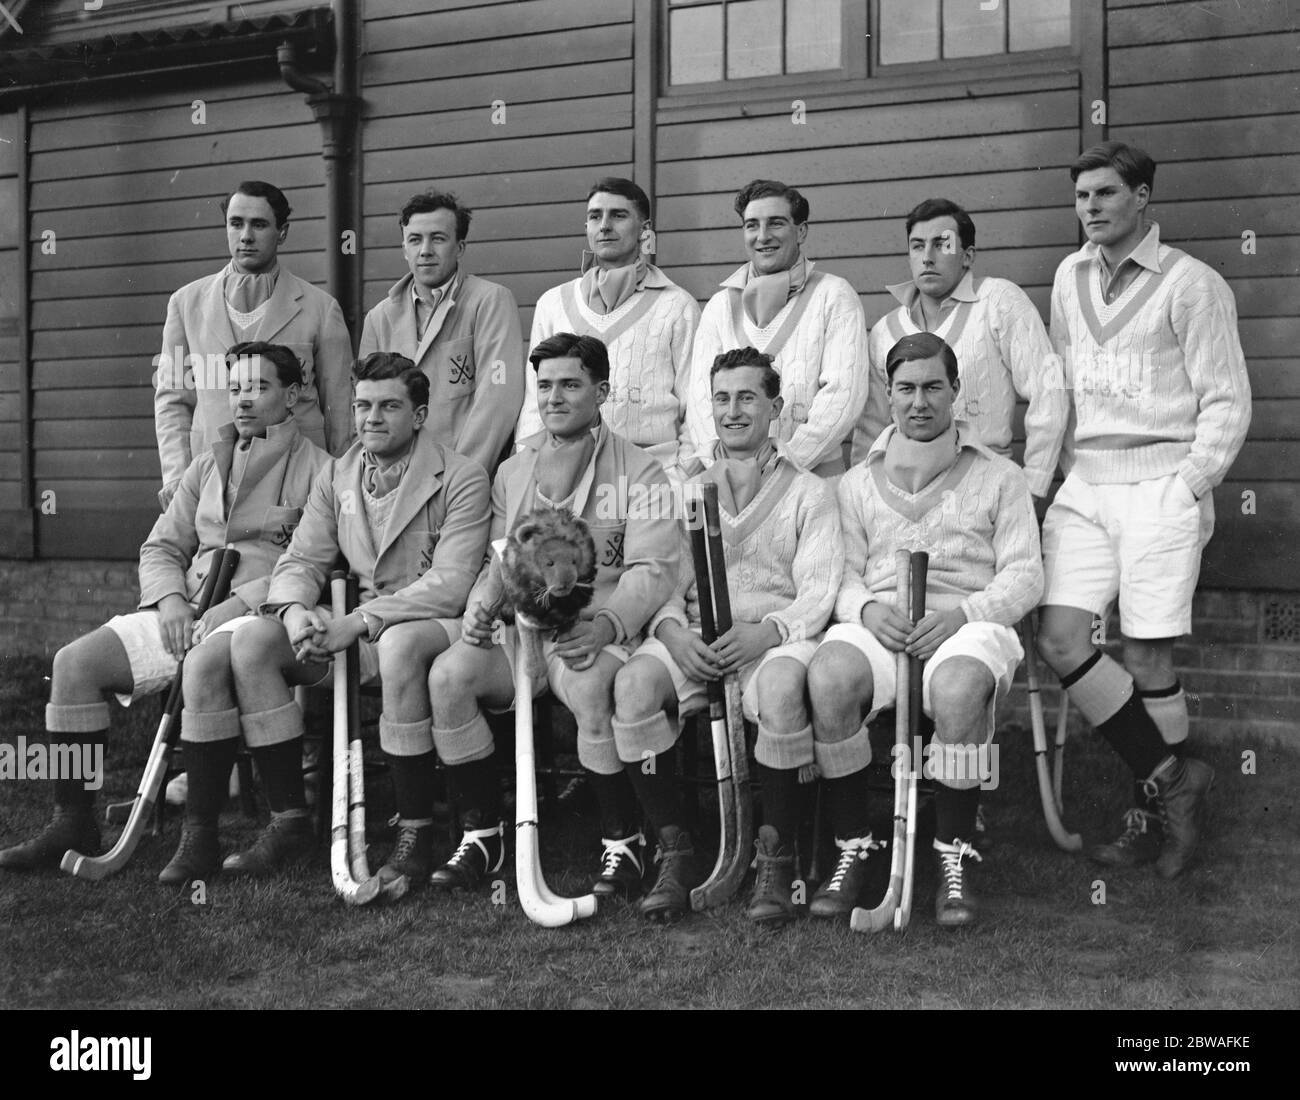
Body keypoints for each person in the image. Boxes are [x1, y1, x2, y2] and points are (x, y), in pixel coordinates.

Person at [0, 342, 330, 871]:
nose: (243, 401)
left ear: (291, 395)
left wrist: (238, 604)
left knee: (203, 663)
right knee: (73, 664)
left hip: (260, 618)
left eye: (260, 387)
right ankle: (73, 820)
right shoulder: (206, 465)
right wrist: (173, 600)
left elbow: (311, 560)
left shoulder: (321, 470)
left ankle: (200, 837)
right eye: (237, 388)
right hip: (187, 612)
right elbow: (161, 547)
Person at [168, 352, 491, 884]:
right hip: (360, 632)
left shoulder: (462, 476)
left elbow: (451, 584)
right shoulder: (339, 473)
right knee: (254, 641)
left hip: (440, 631)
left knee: (398, 645)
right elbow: (299, 560)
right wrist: (295, 613)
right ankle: (289, 818)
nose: (371, 419)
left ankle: (415, 830)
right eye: (363, 405)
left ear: (419, 414)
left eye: (389, 406)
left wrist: (357, 622)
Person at [1035, 142, 1251, 879]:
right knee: (1060, 637)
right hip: (1087, 485)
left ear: (1143, 197)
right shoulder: (1069, 277)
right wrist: (1063, 472)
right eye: (1081, 197)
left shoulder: (1194, 285)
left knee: (1148, 653)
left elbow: (1227, 400)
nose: (1090, 208)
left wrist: (1187, 485)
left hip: (1162, 481)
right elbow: (1063, 385)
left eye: (1104, 194)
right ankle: (1175, 778)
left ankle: (1148, 817)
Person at [426, 333, 678, 895]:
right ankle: (482, 834)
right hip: (520, 634)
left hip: (594, 626)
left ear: (602, 390)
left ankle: (623, 844)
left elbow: (653, 569)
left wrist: (606, 626)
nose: (554, 397)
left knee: (591, 689)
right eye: (544, 386)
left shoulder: (643, 472)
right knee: (448, 676)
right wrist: (478, 608)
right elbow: (498, 557)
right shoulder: (515, 471)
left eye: (570, 384)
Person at [807, 333, 1042, 927]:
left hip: (964, 623)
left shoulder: (1000, 477)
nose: (919, 402)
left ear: (956, 391)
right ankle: (854, 846)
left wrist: (961, 617)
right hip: (885, 623)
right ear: (890, 395)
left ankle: (952, 853)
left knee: (961, 688)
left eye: (933, 387)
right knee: (831, 675)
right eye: (906, 388)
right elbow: (839, 575)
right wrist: (865, 611)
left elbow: (1025, 577)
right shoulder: (857, 483)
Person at [611, 347, 842, 924]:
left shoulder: (810, 491)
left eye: (747, 398)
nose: (733, 411)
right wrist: (671, 631)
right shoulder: (684, 485)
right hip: (694, 635)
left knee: (787, 689)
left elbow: (819, 592)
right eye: (721, 398)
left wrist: (766, 633)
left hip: (774, 639)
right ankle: (678, 851)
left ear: (776, 407)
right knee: (635, 685)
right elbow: (659, 574)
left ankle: (774, 854)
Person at [154, 181, 353, 509]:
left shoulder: (320, 308)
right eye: (236, 223)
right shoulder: (186, 304)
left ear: (282, 232)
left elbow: (340, 411)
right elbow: (172, 399)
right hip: (214, 482)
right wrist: (176, 476)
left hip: (296, 486)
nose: (246, 235)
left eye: (259, 224)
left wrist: (338, 484)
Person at [852, 198, 1067, 498]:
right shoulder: (885, 330)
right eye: (917, 246)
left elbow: (1050, 391)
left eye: (942, 244)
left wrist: (1032, 484)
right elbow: (871, 430)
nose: (927, 257)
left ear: (967, 256)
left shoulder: (998, 301)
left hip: (986, 485)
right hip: (907, 491)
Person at [515, 178, 700, 479]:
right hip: (566, 477)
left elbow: (696, 405)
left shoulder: (678, 305)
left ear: (645, 228)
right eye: (595, 216)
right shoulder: (553, 303)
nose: (604, 225)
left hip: (651, 476)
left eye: (618, 215)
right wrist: (531, 472)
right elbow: (535, 407)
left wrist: (680, 476)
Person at [686, 179, 869, 479]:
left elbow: (843, 398)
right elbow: (701, 404)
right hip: (731, 482)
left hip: (813, 479)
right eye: (751, 225)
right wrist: (732, 471)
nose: (763, 236)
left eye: (776, 223)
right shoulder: (720, 306)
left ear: (801, 231)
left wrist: (780, 468)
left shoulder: (834, 295)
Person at [359, 190, 524, 478]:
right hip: (396, 483)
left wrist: (457, 480)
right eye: (415, 239)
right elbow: (365, 405)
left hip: (465, 482)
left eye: (438, 238)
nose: (425, 250)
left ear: (459, 247)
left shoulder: (489, 301)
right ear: (404, 249)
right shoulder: (379, 317)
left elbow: (498, 401)